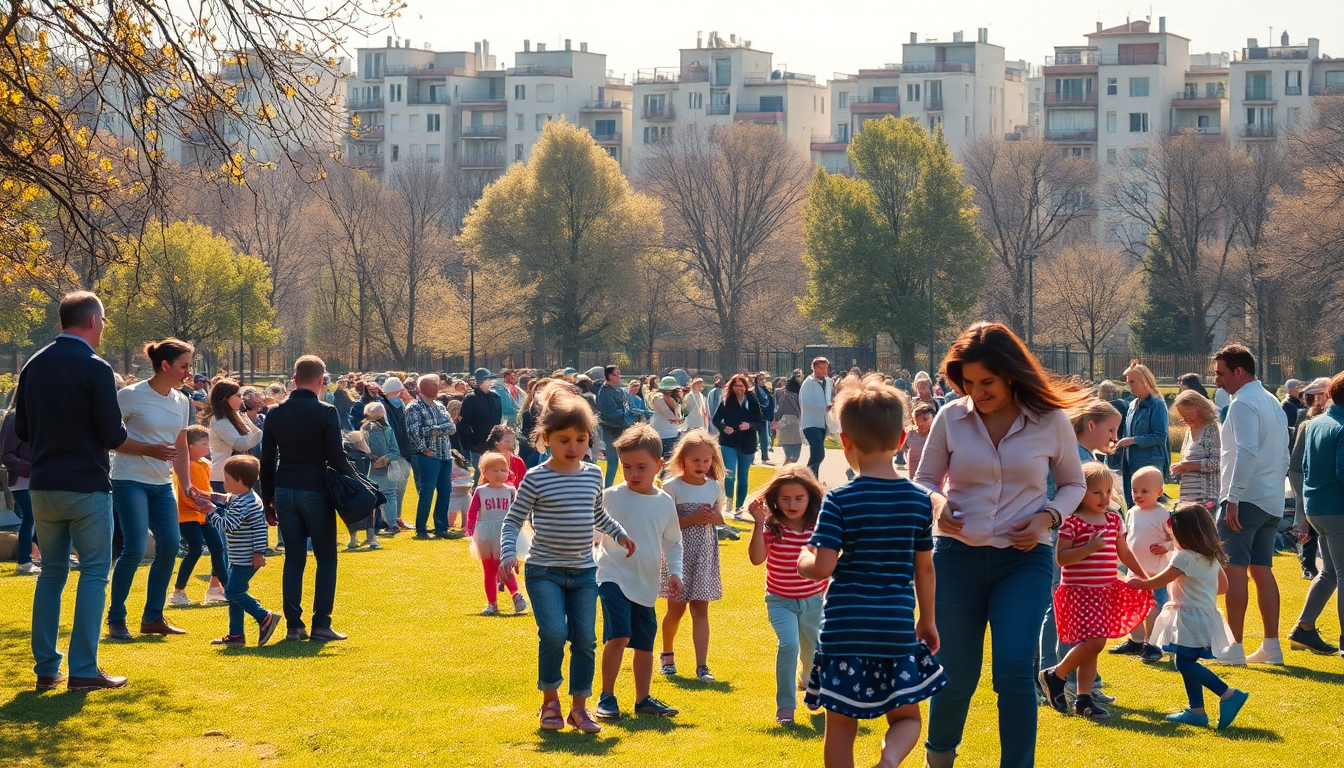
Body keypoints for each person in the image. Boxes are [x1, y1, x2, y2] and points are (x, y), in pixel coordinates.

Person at [913, 322, 1087, 768]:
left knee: (1013, 669)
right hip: (955, 558)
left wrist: (1047, 517)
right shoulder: (951, 417)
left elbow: (1072, 484)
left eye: (986, 382)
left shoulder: (1049, 421)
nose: (976, 392)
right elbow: (925, 480)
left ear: (1010, 373)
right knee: (955, 674)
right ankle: (939, 759)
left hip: (1024, 562)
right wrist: (936, 504)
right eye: (967, 383)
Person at [798, 376, 945, 768]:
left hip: (845, 626)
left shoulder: (839, 500)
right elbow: (925, 569)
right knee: (907, 717)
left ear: (845, 442)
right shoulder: (918, 501)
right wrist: (927, 620)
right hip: (894, 626)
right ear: (902, 439)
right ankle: (889, 761)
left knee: (841, 727)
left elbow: (823, 565)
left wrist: (803, 558)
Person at [17, 292, 148, 690]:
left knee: (51, 574)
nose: (104, 328)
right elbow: (112, 434)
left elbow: (22, 430)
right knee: (94, 572)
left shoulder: (33, 365)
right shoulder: (95, 367)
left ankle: (46, 668)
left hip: (42, 485)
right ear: (92, 321)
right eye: (104, 321)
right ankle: (84, 669)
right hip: (86, 485)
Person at [499, 389, 634, 734]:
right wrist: (508, 552)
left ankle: (579, 708)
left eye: (580, 439)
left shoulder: (592, 474)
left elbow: (598, 515)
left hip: (585, 573)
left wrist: (619, 534)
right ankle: (549, 703)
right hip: (545, 572)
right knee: (555, 634)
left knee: (586, 640)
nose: (573, 446)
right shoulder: (535, 477)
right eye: (564, 440)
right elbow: (513, 520)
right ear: (545, 439)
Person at [1038, 462, 1154, 722]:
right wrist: (1089, 547)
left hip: (1104, 592)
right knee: (1095, 642)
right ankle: (1054, 674)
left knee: (1092, 646)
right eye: (1096, 492)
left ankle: (1083, 698)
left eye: (1107, 491)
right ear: (1080, 493)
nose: (1104, 497)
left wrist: (1144, 577)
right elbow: (1062, 558)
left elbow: (1124, 552)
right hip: (1078, 592)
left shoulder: (1114, 519)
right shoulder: (1072, 521)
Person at [260, 355, 359, 643]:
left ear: (294, 379)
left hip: (285, 489)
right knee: (326, 557)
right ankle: (321, 624)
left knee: (294, 558)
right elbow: (337, 457)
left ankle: (294, 626)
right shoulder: (326, 411)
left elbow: (267, 461)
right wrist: (358, 483)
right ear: (321, 380)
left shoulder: (276, 413)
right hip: (315, 488)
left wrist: (269, 498)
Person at [1126, 503, 1249, 730]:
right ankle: (1197, 712)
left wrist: (1139, 583)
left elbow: (1158, 581)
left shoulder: (1183, 558)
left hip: (1188, 615)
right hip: (1204, 614)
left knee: (1184, 662)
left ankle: (1228, 694)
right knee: (1187, 661)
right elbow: (1222, 586)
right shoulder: (1210, 557)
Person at [107, 339, 197, 640]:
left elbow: (181, 447)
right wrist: (148, 450)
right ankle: (116, 619)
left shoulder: (182, 401)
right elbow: (109, 438)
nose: (188, 372)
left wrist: (187, 486)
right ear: (165, 365)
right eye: (184, 365)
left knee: (171, 545)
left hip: (162, 484)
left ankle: (153, 617)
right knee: (134, 548)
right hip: (128, 479)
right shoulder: (129, 396)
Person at [594, 425, 685, 721]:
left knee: (644, 644)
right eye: (626, 466)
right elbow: (590, 534)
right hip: (612, 577)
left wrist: (675, 572)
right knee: (618, 635)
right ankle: (607, 696)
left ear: (659, 466)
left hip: (646, 584)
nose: (633, 473)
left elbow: (672, 541)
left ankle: (643, 699)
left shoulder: (664, 501)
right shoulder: (609, 497)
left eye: (641, 467)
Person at [1039, 399, 1122, 702]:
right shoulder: (1076, 454)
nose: (1114, 437)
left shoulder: (1082, 453)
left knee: (1081, 618)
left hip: (1068, 539)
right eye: (1110, 429)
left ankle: (1078, 680)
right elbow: (1061, 497)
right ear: (1091, 425)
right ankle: (1055, 674)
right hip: (1065, 539)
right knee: (1061, 607)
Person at [1211, 343, 1289, 666]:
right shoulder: (1272, 401)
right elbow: (1283, 453)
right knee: (1262, 569)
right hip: (1270, 499)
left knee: (1235, 570)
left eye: (1220, 373)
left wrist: (1233, 497)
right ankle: (1271, 646)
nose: (1216, 380)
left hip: (1245, 499)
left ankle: (1234, 647)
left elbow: (1246, 452)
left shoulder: (1243, 402)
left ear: (1239, 371)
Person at [745, 465, 827, 726]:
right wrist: (759, 522)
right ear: (775, 500)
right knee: (789, 645)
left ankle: (809, 681)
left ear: (810, 498)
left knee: (811, 655)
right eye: (785, 498)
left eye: (799, 498)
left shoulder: (818, 525)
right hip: (780, 601)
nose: (792, 504)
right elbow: (757, 559)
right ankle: (786, 707)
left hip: (814, 601)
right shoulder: (773, 527)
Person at [658, 430, 727, 684]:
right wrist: (691, 518)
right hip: (679, 555)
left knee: (701, 609)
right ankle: (667, 654)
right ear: (682, 460)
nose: (701, 465)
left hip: (705, 555)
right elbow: (665, 524)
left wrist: (714, 518)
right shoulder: (671, 487)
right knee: (675, 610)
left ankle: (702, 665)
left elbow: (721, 517)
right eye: (695, 460)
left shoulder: (714, 487)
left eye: (706, 461)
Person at [191, 455, 281, 647]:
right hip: (240, 557)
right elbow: (226, 499)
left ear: (239, 481)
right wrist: (208, 496)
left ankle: (264, 616)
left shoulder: (243, 503)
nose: (223, 483)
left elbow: (227, 525)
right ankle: (236, 635)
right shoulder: (244, 496)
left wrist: (209, 511)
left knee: (232, 592)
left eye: (226, 479)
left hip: (246, 558)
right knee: (235, 594)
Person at [1288, 371, 1344, 657]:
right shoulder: (1341, 427)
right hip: (1337, 508)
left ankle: (1304, 629)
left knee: (1329, 572)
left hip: (1316, 507)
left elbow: (1301, 468)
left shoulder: (1314, 424)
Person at [1118, 466, 1174, 663]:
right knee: (1130, 607)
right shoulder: (1132, 512)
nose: (1138, 495)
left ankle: (1154, 644)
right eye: (1134, 490)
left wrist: (1166, 546)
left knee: (1154, 608)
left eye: (1144, 491)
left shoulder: (1163, 515)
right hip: (1134, 571)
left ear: (1159, 492)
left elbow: (1177, 540)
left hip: (1156, 572)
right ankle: (1136, 640)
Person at [170, 426, 227, 607]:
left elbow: (206, 490)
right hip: (188, 516)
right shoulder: (185, 466)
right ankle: (178, 591)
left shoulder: (204, 464)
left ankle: (222, 589)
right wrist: (203, 504)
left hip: (204, 514)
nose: (208, 448)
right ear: (189, 447)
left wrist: (212, 503)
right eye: (203, 444)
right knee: (195, 549)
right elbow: (186, 493)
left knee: (218, 548)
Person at [464, 452, 527, 616]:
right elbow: (472, 513)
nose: (500, 474)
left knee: (505, 567)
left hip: (505, 532)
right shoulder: (481, 491)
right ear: (484, 473)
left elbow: (518, 512)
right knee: (490, 570)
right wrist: (469, 529)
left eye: (503, 470)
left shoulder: (511, 491)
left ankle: (516, 595)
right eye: (495, 471)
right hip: (486, 534)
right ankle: (492, 604)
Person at [405, 374, 460, 539]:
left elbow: (452, 428)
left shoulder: (440, 406)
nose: (438, 387)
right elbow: (415, 433)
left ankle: (441, 528)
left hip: (445, 455)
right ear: (423, 388)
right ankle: (421, 529)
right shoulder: (413, 408)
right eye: (434, 385)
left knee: (445, 491)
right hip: (427, 456)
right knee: (427, 491)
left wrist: (434, 428)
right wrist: (424, 449)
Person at [1289, 377, 1331, 581]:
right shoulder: (1306, 423)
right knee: (1307, 527)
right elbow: (1296, 464)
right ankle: (1307, 563)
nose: (1315, 400)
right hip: (1310, 485)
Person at [1117, 361, 1169, 507]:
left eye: (1133, 382)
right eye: (1128, 382)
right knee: (1131, 505)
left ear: (1145, 381)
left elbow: (1160, 436)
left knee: (1150, 508)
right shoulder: (1132, 405)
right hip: (1130, 463)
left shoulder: (1157, 404)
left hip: (1149, 464)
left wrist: (1135, 440)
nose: (1130, 386)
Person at [713, 374, 764, 517]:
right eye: (736, 386)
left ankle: (739, 507)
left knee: (743, 476)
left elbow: (760, 422)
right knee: (730, 475)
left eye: (741, 386)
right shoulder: (726, 401)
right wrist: (724, 428)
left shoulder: (751, 400)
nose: (739, 389)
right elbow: (716, 419)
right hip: (728, 441)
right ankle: (729, 502)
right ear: (731, 387)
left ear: (746, 387)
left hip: (747, 443)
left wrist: (749, 425)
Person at [1, 387, 39, 574]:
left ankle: (39, 557)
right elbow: (6, 455)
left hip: (38, 478)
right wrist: (32, 469)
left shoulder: (35, 418)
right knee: (30, 518)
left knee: (40, 518)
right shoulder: (15, 419)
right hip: (23, 480)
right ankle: (24, 561)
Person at [203, 380, 264, 492]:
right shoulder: (219, 421)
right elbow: (241, 444)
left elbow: (252, 437)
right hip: (223, 479)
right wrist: (258, 434)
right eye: (238, 396)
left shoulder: (236, 416)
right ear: (225, 398)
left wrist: (253, 430)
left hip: (237, 477)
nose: (242, 400)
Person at [360, 401, 402, 544]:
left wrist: (376, 458)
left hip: (374, 469)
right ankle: (391, 524)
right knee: (390, 495)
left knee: (374, 498)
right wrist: (387, 458)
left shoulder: (367, 429)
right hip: (386, 468)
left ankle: (374, 528)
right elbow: (395, 451)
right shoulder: (388, 428)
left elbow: (362, 450)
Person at [1172, 389, 1221, 506]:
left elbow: (1217, 462)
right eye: (1182, 417)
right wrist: (1178, 468)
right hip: (1187, 497)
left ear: (1199, 407)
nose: (1185, 419)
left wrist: (1189, 466)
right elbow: (1185, 460)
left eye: (1187, 415)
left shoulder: (1212, 429)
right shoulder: (1188, 432)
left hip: (1207, 498)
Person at [459, 368, 504, 479]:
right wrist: (472, 443)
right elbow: (464, 423)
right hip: (478, 445)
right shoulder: (470, 399)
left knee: (495, 474)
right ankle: (477, 496)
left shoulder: (496, 398)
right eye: (488, 380)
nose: (490, 382)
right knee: (479, 475)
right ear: (480, 382)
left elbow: (498, 421)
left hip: (495, 445)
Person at [595, 365, 633, 488]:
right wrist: (625, 412)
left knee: (627, 459)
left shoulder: (618, 390)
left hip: (621, 428)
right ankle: (607, 488)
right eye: (615, 374)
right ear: (608, 376)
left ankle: (627, 485)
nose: (618, 376)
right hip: (610, 429)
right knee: (613, 461)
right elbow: (608, 413)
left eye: (619, 373)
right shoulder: (604, 391)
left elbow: (625, 404)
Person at [800, 358, 833, 478]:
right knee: (819, 454)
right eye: (821, 368)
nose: (824, 370)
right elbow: (806, 403)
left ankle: (813, 479)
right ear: (814, 368)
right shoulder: (808, 383)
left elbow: (828, 397)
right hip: (810, 423)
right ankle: (807, 477)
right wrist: (825, 406)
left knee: (816, 455)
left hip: (822, 423)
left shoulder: (828, 382)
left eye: (826, 367)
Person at [650, 376, 685, 465]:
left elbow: (682, 418)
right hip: (659, 437)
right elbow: (671, 417)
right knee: (658, 465)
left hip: (673, 436)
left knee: (669, 466)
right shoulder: (657, 399)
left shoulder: (678, 400)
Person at [1097, 380, 1129, 473]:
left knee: (1099, 463)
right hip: (1119, 436)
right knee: (1115, 466)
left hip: (1102, 438)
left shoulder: (1100, 406)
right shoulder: (1122, 404)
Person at [485, 424, 528, 489]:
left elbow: (524, 484)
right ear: (496, 442)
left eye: (513, 441)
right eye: (508, 441)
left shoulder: (518, 461)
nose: (511, 444)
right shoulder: (489, 460)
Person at [905, 402, 936, 480]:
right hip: (914, 475)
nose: (922, 423)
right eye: (919, 420)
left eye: (925, 419)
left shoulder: (936, 435)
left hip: (932, 475)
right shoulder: (910, 435)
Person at [754, 373, 776, 465]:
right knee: (754, 438)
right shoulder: (754, 390)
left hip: (764, 417)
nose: (762, 381)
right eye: (760, 380)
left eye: (763, 380)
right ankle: (751, 458)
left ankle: (765, 457)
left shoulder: (765, 390)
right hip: (755, 417)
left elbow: (769, 402)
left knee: (764, 438)